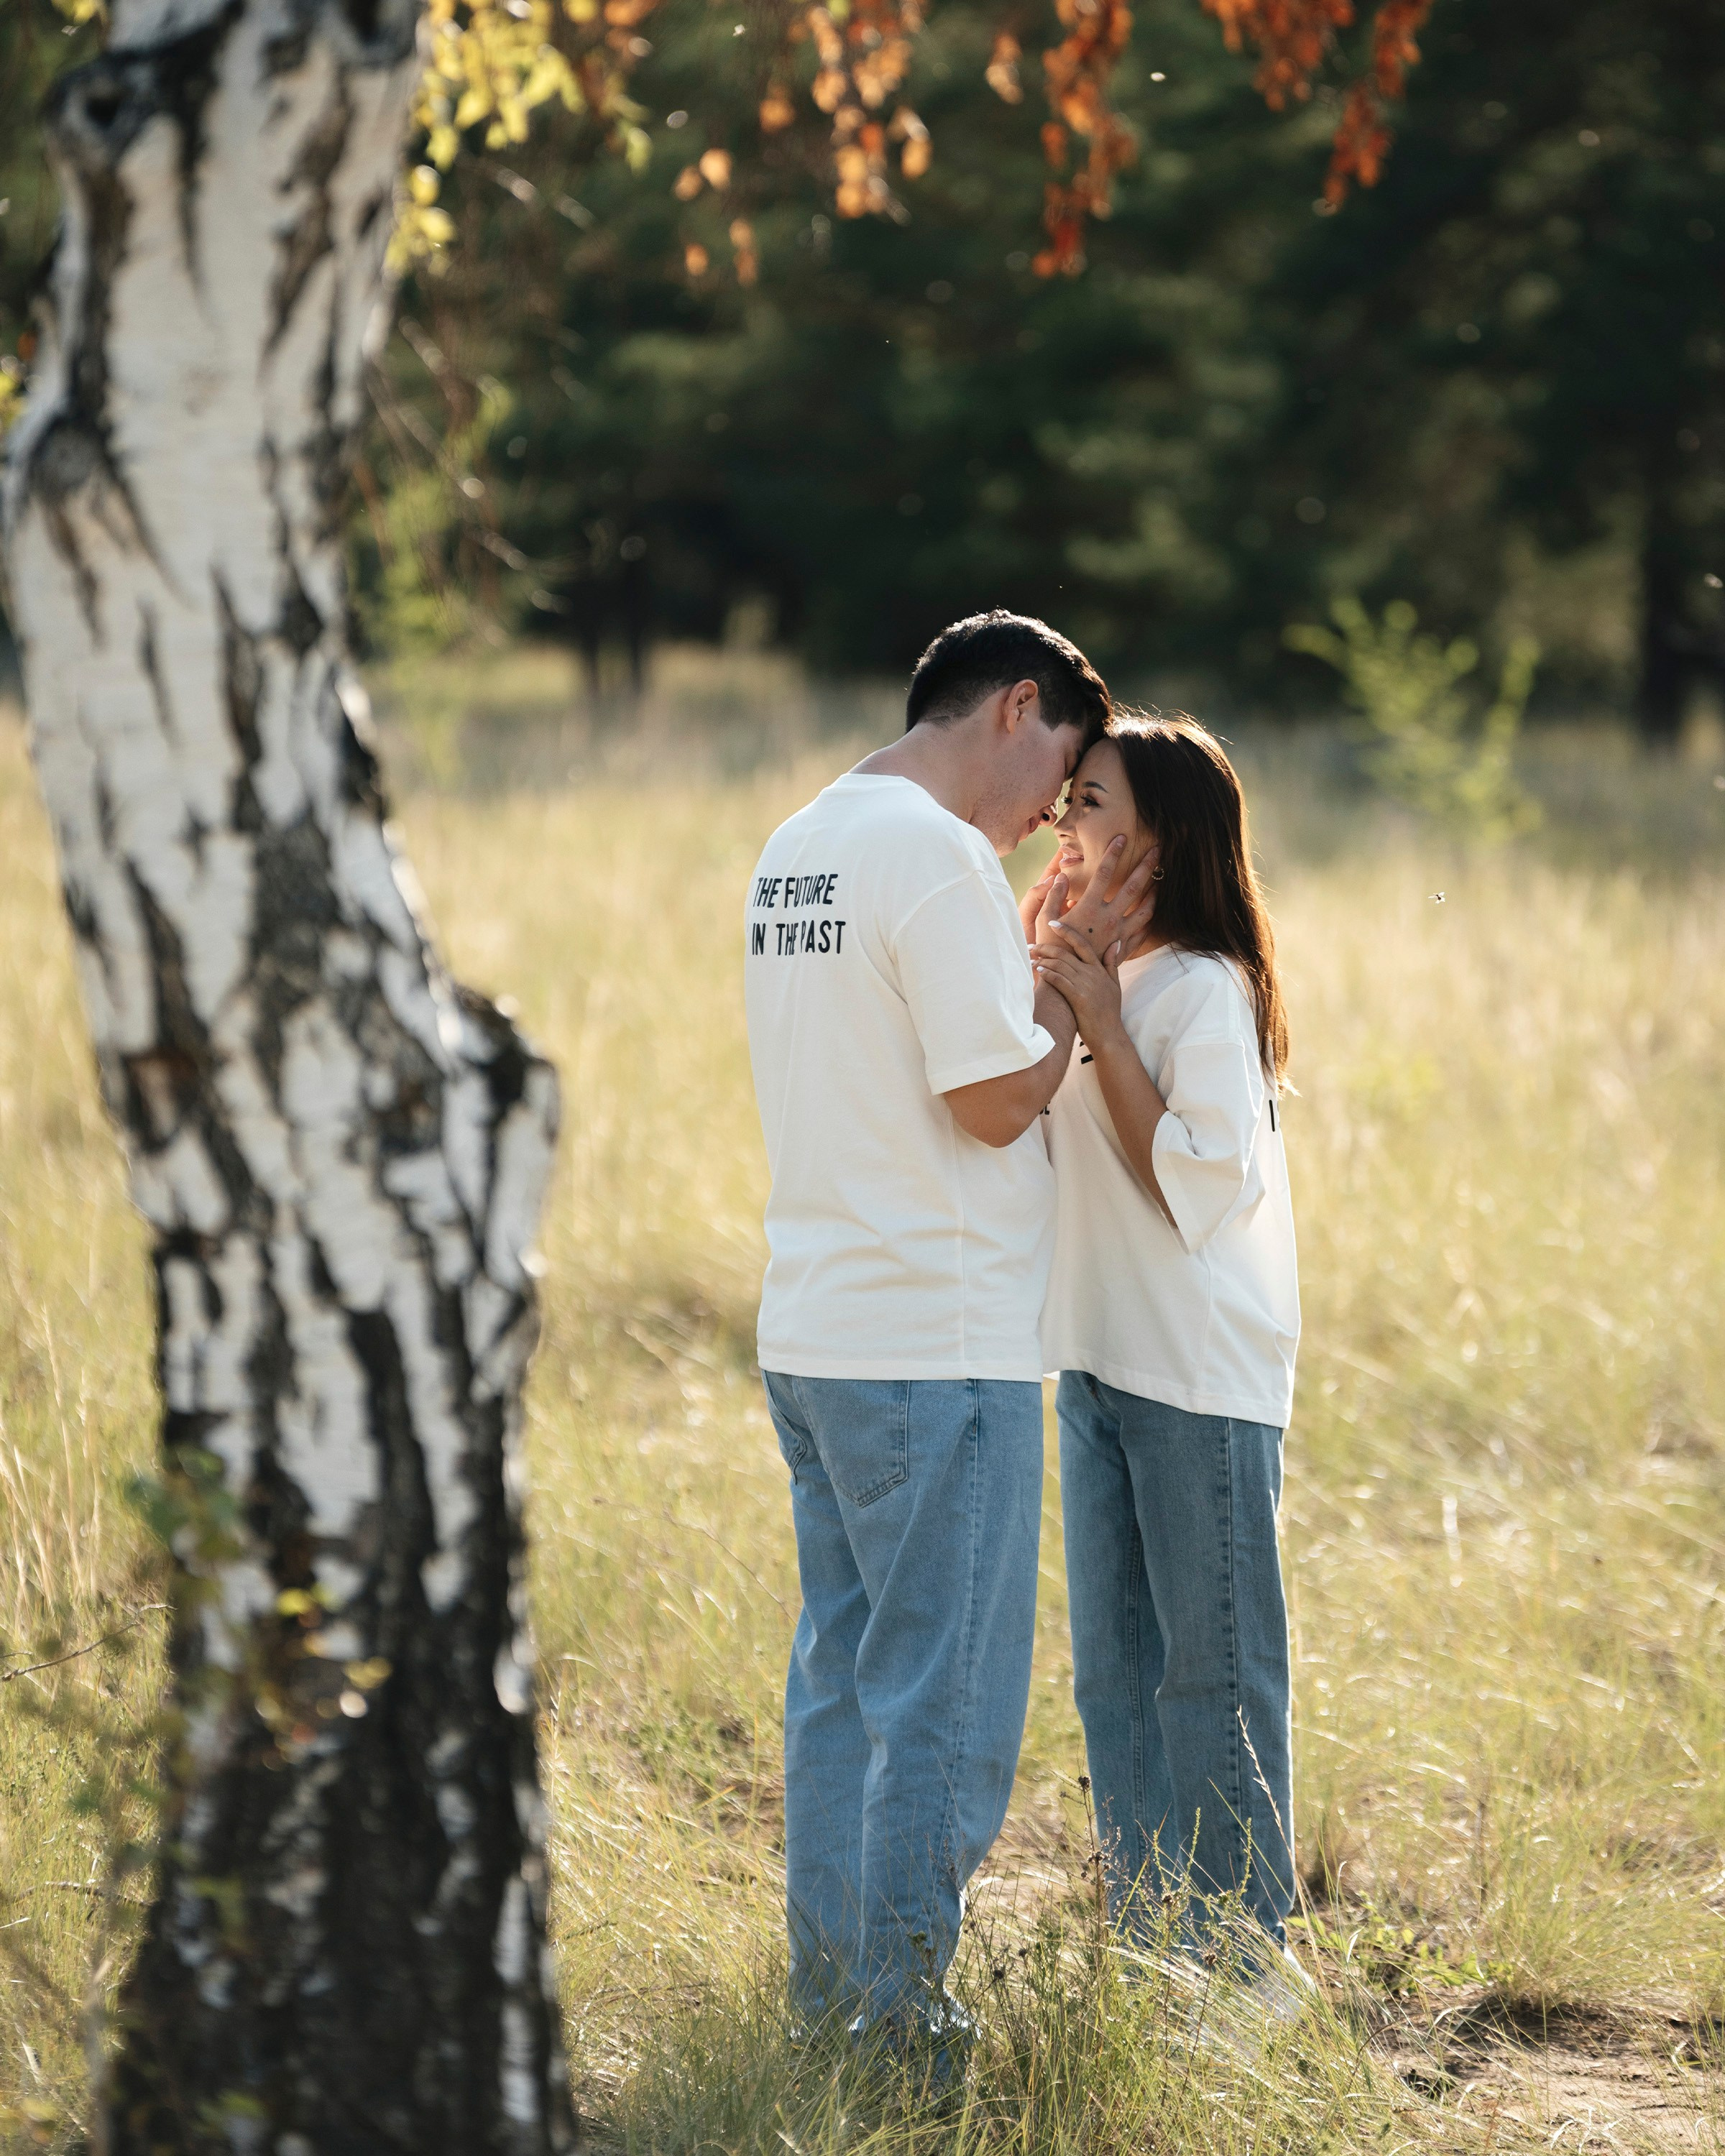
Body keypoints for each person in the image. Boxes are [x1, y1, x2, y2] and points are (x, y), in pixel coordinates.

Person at [743, 611, 1151, 2065]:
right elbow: (992, 1102)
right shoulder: (935, 855)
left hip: (819, 1326)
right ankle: (905, 2026)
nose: (1056, 807)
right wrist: (1073, 967)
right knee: (946, 1703)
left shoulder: (800, 840)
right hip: (934, 1343)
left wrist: (1020, 962)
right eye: (1063, 765)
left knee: (843, 1684)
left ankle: (831, 2004)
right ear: (1016, 706)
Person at [1025, 711, 1305, 1999]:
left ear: (1160, 838)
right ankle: (1152, 1958)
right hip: (1095, 1359)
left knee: (1213, 1678)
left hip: (1195, 1374)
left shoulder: (1200, 987)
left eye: (1091, 802)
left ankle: (1245, 1969)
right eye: (1070, 800)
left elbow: (1190, 1186)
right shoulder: (1101, 973)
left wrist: (1098, 1012)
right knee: (1117, 1680)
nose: (1065, 821)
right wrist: (1056, 969)